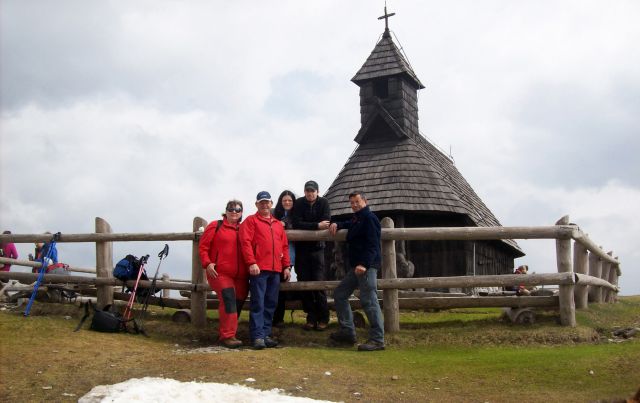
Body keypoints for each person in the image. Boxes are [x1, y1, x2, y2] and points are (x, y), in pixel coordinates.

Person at [328, 191, 385, 351]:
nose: (354, 205)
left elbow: (373, 245)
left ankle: (377, 340)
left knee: (369, 301)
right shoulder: (357, 218)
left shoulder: (370, 218)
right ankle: (348, 332)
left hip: (366, 267)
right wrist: (337, 224)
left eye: (357, 202)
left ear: (365, 201)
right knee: (340, 294)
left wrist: (364, 264)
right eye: (351, 202)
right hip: (357, 267)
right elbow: (349, 223)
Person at [239, 191, 291, 350]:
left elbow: (284, 246)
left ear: (271, 203)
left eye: (267, 202)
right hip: (258, 269)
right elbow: (245, 242)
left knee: (270, 303)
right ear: (256, 204)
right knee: (258, 303)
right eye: (261, 202)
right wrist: (251, 262)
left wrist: (286, 266)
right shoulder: (250, 221)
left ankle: (266, 334)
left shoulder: (277, 224)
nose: (264, 204)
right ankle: (257, 336)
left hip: (275, 269)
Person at [199, 200, 248, 349]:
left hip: (241, 275)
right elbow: (203, 246)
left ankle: (230, 331)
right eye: (231, 209)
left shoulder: (244, 228)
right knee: (229, 299)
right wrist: (207, 263)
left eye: (238, 209)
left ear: (241, 213)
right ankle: (228, 336)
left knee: (237, 303)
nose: (234, 211)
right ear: (225, 211)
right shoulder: (215, 225)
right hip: (220, 273)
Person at [292, 180, 331, 331]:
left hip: (317, 249)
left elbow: (326, 222)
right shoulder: (300, 203)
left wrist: (310, 225)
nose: (310, 193)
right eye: (307, 191)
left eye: (312, 191)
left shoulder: (324, 202)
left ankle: (324, 317)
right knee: (304, 284)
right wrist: (316, 225)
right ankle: (311, 317)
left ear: (317, 191)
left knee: (319, 284)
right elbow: (296, 223)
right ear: (304, 192)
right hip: (302, 250)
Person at [272, 190, 296, 327]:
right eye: (285, 200)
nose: (287, 202)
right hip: (275, 256)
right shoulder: (275, 214)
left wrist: (285, 224)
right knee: (276, 286)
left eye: (290, 200)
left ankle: (279, 318)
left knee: (281, 285)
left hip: (289, 255)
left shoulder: (296, 214)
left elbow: (298, 224)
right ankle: (276, 318)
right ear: (281, 202)